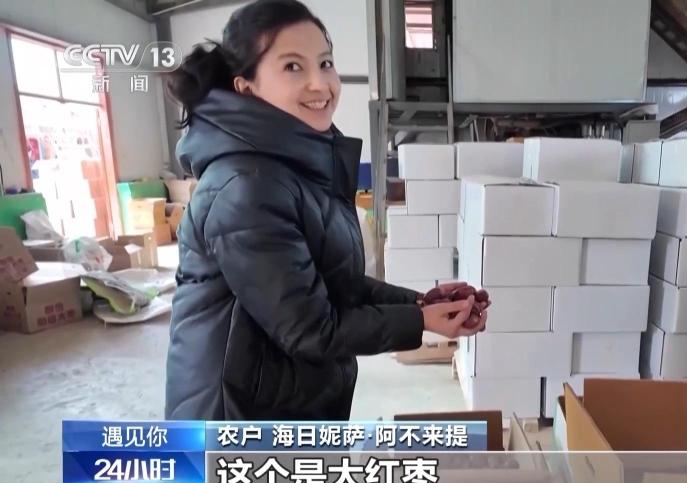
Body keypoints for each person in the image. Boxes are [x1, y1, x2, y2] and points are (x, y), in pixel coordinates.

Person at [163, 0, 486, 421]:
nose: (320, 84)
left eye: (326, 63)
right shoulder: (245, 187)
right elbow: (310, 328)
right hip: (236, 419)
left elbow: (332, 283)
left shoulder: (293, 167)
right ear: (247, 87)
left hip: (282, 399)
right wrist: (419, 321)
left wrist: (421, 302)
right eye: (293, 67)